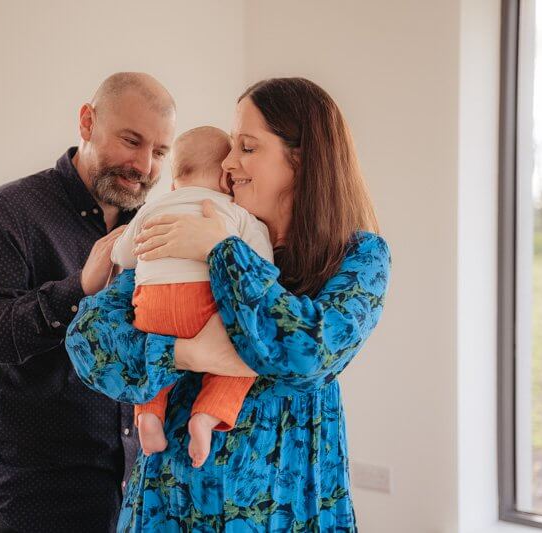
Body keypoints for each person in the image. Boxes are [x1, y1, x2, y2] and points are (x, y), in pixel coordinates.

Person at [65, 77, 392, 531]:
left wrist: (222, 251)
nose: (229, 161)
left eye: (247, 147)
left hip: (288, 507)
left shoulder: (360, 256)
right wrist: (185, 353)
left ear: (301, 159)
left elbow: (307, 353)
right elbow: (89, 341)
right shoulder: (192, 223)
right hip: (170, 506)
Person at [0, 72, 175, 533]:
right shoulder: (11, 210)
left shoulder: (158, 227)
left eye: (159, 152)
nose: (144, 165)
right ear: (87, 121)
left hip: (132, 504)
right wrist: (78, 288)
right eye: (131, 141)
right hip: (33, 505)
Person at [110, 126, 274, 468]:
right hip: (203, 306)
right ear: (224, 179)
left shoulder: (152, 208)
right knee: (242, 357)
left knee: (152, 355)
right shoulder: (234, 212)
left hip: (151, 308)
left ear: (175, 177)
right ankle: (207, 416)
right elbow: (261, 269)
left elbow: (123, 257)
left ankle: (149, 416)